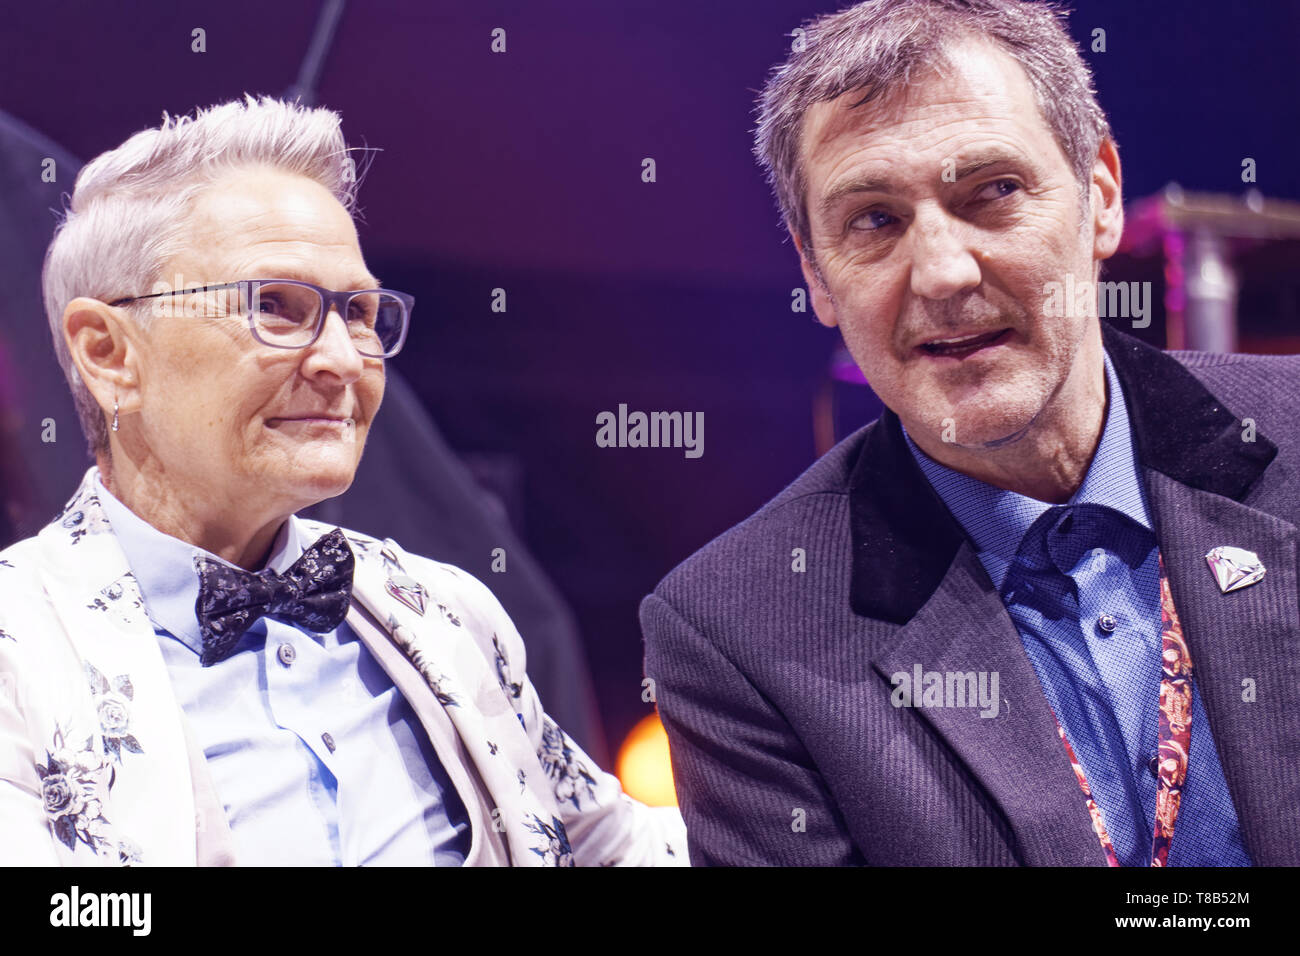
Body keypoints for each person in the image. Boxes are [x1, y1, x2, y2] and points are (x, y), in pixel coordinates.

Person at [641, 0, 1300, 866]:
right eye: (874, 220)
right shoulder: (737, 633)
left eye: (992, 192)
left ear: (1099, 197)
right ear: (817, 275)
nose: (944, 274)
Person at [0, 95, 686, 867]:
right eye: (276, 308)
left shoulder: (441, 612)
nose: (342, 360)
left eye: (357, 313)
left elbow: (624, 851)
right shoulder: (18, 648)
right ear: (108, 353)